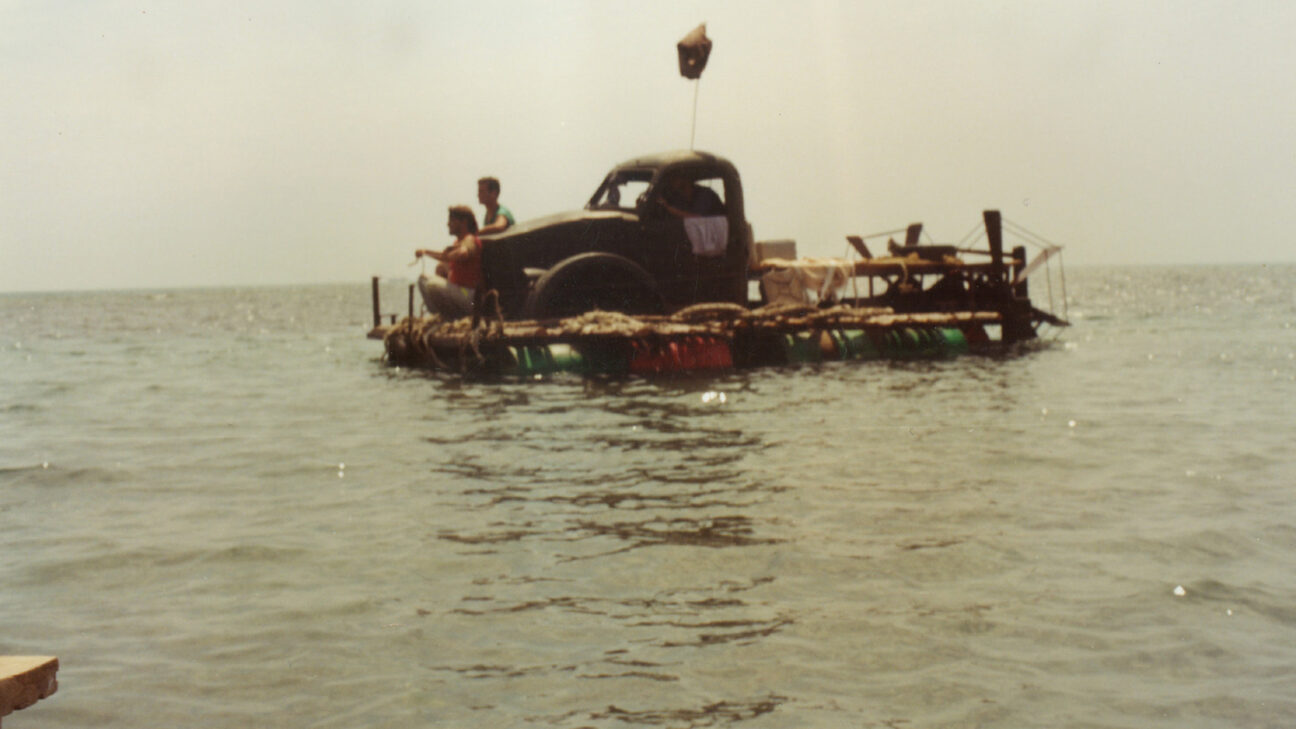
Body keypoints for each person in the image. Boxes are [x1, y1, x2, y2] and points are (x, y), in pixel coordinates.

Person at [414, 205, 481, 320]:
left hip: (467, 293)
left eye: (452, 220)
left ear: (463, 222)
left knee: (433, 285)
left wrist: (449, 256)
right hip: (460, 291)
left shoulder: (469, 239)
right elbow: (444, 256)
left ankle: (449, 316)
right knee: (423, 279)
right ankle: (438, 314)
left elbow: (463, 253)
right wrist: (425, 252)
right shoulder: (458, 242)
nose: (448, 224)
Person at [657, 174, 725, 218]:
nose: (671, 182)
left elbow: (696, 218)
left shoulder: (706, 194)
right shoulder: (678, 197)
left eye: (675, 178)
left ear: (686, 179)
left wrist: (667, 207)